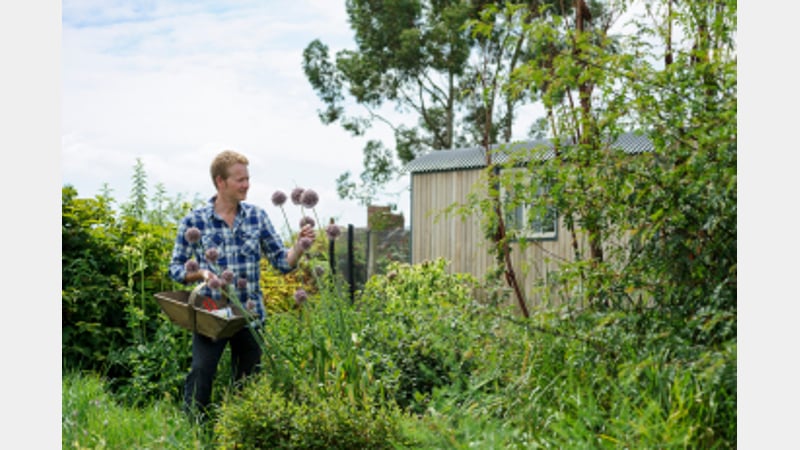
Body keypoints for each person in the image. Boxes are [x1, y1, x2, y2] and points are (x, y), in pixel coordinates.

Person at [168, 149, 315, 421]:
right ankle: (193, 433)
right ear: (220, 182)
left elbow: (282, 262)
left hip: (250, 312)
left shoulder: (257, 217)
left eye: (248, 179)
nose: (246, 184)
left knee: (247, 382)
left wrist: (300, 245)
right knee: (202, 372)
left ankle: (240, 433)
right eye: (240, 180)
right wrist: (200, 273)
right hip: (212, 310)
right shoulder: (194, 220)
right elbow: (175, 268)